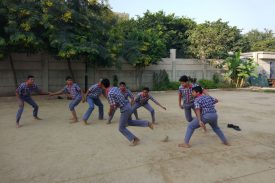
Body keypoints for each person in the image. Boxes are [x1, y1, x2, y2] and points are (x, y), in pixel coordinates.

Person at [101, 78, 153, 146]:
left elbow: (112, 106)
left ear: (102, 85)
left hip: (125, 109)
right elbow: (118, 100)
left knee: (121, 128)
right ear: (109, 83)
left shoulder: (109, 93)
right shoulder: (115, 88)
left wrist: (110, 112)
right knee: (129, 122)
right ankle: (147, 123)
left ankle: (134, 139)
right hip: (128, 106)